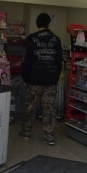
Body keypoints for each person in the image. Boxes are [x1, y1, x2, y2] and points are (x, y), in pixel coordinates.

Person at [20, 12, 63, 146]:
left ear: (37, 23)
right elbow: (59, 62)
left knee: (30, 106)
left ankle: (26, 130)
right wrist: (55, 78)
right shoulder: (56, 40)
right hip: (50, 80)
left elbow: (26, 60)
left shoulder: (31, 39)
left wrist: (25, 76)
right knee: (49, 108)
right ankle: (48, 135)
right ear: (48, 24)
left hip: (33, 79)